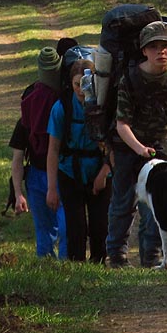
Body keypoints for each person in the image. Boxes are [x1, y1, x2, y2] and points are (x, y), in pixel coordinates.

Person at [105, 20, 167, 269]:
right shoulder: (131, 78)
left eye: (166, 46)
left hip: (162, 141)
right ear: (144, 50)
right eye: (154, 46)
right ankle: (117, 256)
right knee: (124, 201)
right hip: (128, 146)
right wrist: (139, 149)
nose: (161, 51)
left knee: (163, 200)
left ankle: (155, 256)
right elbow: (121, 124)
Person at [8, 44, 72, 258]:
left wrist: (18, 193)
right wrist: (17, 194)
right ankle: (61, 272)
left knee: (51, 231)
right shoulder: (65, 109)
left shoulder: (28, 117)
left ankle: (58, 271)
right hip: (53, 175)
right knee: (61, 230)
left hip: (47, 175)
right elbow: (17, 158)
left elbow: (17, 158)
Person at [45, 59, 112, 263]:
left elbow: (114, 145)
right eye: (77, 84)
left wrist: (104, 173)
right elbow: (53, 150)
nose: (81, 90)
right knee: (76, 228)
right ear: (70, 84)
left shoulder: (104, 105)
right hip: (69, 172)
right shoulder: (61, 109)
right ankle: (77, 268)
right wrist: (52, 188)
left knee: (100, 225)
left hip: (99, 170)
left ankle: (99, 264)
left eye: (86, 83)